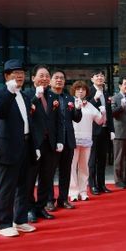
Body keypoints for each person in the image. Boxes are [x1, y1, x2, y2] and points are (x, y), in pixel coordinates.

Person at [0, 59, 38, 237]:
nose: (19, 76)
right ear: (6, 76)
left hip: (25, 145)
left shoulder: (25, 96)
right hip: (7, 147)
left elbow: (29, 122)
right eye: (15, 73)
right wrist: (9, 92)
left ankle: (20, 220)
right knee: (7, 187)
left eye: (21, 73)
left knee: (24, 186)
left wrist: (34, 146)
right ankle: (4, 224)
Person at [25, 65, 63, 220]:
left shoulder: (53, 96)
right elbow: (26, 114)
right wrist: (36, 97)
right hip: (34, 143)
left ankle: (41, 207)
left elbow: (59, 121)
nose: (45, 78)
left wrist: (60, 140)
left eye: (47, 76)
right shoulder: (26, 94)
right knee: (30, 178)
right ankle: (29, 208)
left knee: (46, 178)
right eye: (41, 75)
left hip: (50, 143)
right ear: (33, 78)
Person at [49, 69, 82, 210]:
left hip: (68, 140)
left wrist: (78, 109)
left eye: (62, 78)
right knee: (49, 173)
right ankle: (49, 200)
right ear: (50, 81)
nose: (59, 80)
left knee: (66, 171)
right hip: (51, 141)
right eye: (56, 77)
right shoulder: (46, 97)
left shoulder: (69, 98)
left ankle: (63, 199)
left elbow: (76, 118)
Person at [69, 81, 106, 201]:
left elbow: (100, 121)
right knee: (72, 166)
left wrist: (103, 113)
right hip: (73, 139)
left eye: (83, 89)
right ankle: (73, 192)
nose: (81, 91)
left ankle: (83, 191)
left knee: (84, 167)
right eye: (78, 89)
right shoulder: (70, 103)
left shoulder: (90, 105)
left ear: (86, 92)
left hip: (86, 140)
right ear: (74, 91)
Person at [87, 69, 114, 195]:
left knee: (102, 159)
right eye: (97, 76)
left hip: (105, 129)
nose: (100, 78)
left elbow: (109, 113)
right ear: (92, 79)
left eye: (102, 76)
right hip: (93, 130)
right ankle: (92, 185)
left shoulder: (106, 92)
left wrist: (112, 130)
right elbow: (85, 108)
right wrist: (94, 99)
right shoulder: (89, 92)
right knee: (92, 160)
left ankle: (102, 184)